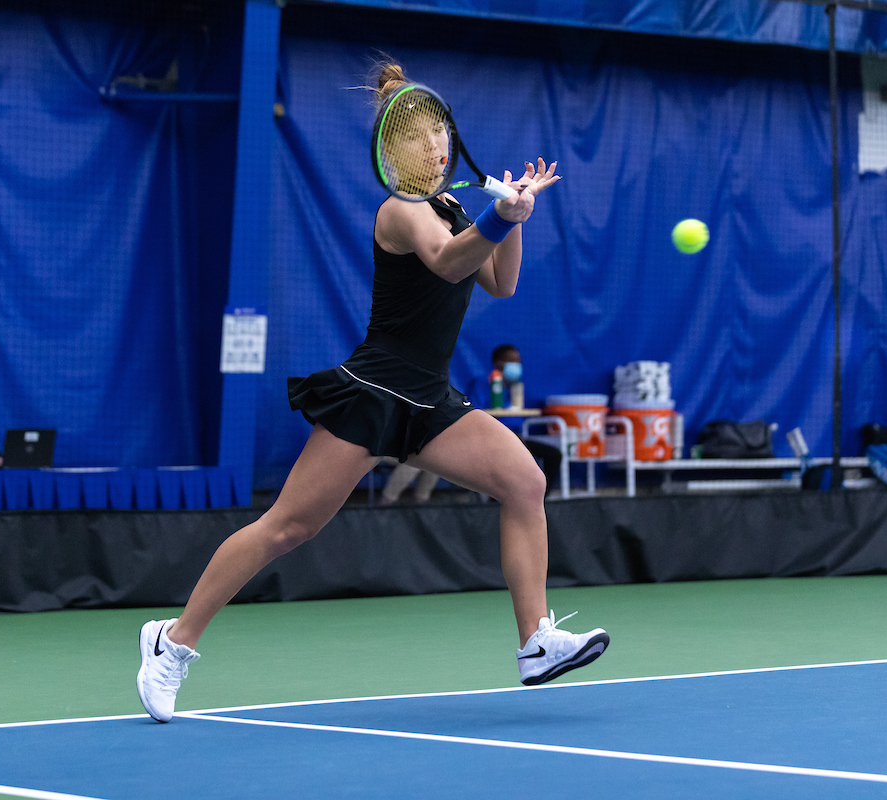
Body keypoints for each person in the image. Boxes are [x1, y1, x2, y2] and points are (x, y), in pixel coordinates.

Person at [135, 63, 608, 723]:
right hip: (376, 388)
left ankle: (534, 642)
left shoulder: (451, 207)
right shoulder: (403, 210)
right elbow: (447, 261)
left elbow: (500, 282)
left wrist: (516, 213)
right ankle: (171, 642)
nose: (437, 147)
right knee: (288, 527)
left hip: (431, 399)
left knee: (525, 482)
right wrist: (497, 218)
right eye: (421, 139)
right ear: (395, 152)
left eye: (442, 133)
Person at [476, 344, 563, 492]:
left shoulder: (514, 388)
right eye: (512, 361)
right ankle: (495, 502)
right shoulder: (481, 384)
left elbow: (516, 418)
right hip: (490, 439)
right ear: (498, 363)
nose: (516, 365)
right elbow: (475, 414)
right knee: (513, 463)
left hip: (516, 439)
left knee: (553, 455)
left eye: (518, 361)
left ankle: (539, 500)